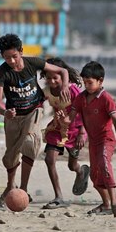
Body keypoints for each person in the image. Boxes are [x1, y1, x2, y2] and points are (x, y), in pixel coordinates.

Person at [0, 34, 70, 208]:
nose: (12, 61)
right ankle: (11, 187)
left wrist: (64, 85)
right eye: (7, 58)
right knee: (11, 155)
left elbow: (62, 71)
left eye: (14, 56)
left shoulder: (33, 63)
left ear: (21, 52)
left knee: (29, 142)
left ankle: (24, 189)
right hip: (13, 117)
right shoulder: (2, 73)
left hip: (34, 110)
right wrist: (5, 112)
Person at [68, 61, 116, 217]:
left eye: (90, 82)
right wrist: (61, 120)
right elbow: (70, 119)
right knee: (95, 178)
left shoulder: (106, 98)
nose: (86, 86)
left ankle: (115, 203)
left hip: (106, 139)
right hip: (93, 142)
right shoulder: (81, 98)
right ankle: (106, 204)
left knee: (104, 164)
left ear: (100, 81)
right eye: (84, 82)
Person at [40, 57, 89, 209]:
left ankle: (81, 171)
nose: (52, 81)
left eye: (55, 78)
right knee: (49, 159)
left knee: (71, 165)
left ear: (63, 76)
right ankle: (58, 196)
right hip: (57, 129)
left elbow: (85, 112)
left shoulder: (72, 90)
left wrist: (82, 132)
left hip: (76, 130)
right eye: (48, 78)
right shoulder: (47, 91)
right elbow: (37, 104)